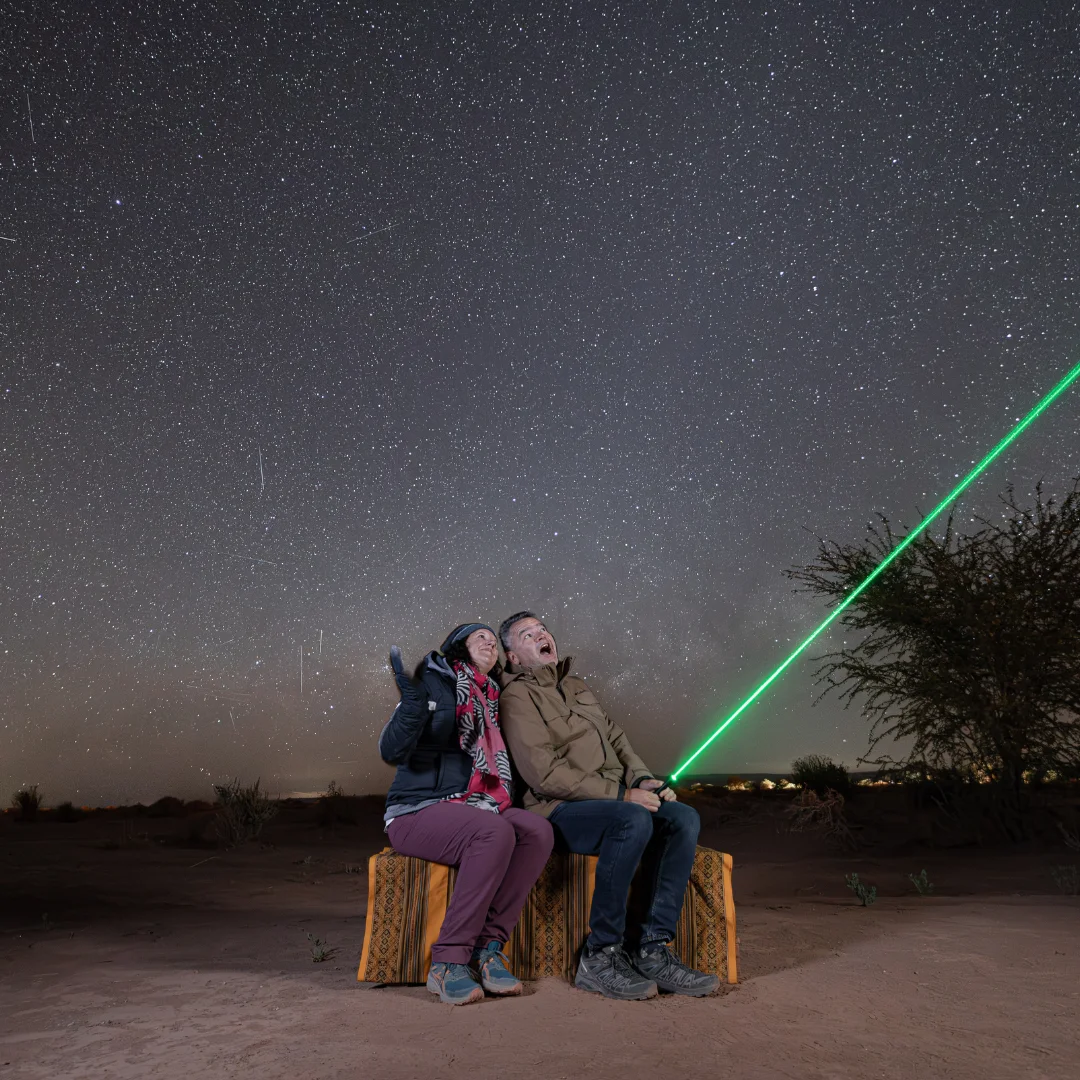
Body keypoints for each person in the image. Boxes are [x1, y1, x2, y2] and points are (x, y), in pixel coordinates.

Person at [496, 611, 719, 1001]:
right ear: (513, 656)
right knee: (631, 819)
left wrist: (641, 779)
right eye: (527, 635)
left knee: (682, 818)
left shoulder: (576, 686)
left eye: (542, 629)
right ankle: (599, 956)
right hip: (558, 807)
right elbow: (543, 774)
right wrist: (622, 796)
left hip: (612, 797)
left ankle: (651, 950)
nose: (541, 635)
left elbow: (615, 736)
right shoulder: (517, 696)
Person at [379, 622, 554, 1005]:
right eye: (480, 637)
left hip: (474, 804)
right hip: (417, 809)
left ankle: (487, 950)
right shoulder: (433, 685)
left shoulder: (492, 695)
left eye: (493, 640)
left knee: (537, 831)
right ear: (458, 646)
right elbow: (391, 749)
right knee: (494, 832)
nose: (490, 643)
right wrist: (411, 709)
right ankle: (448, 961)